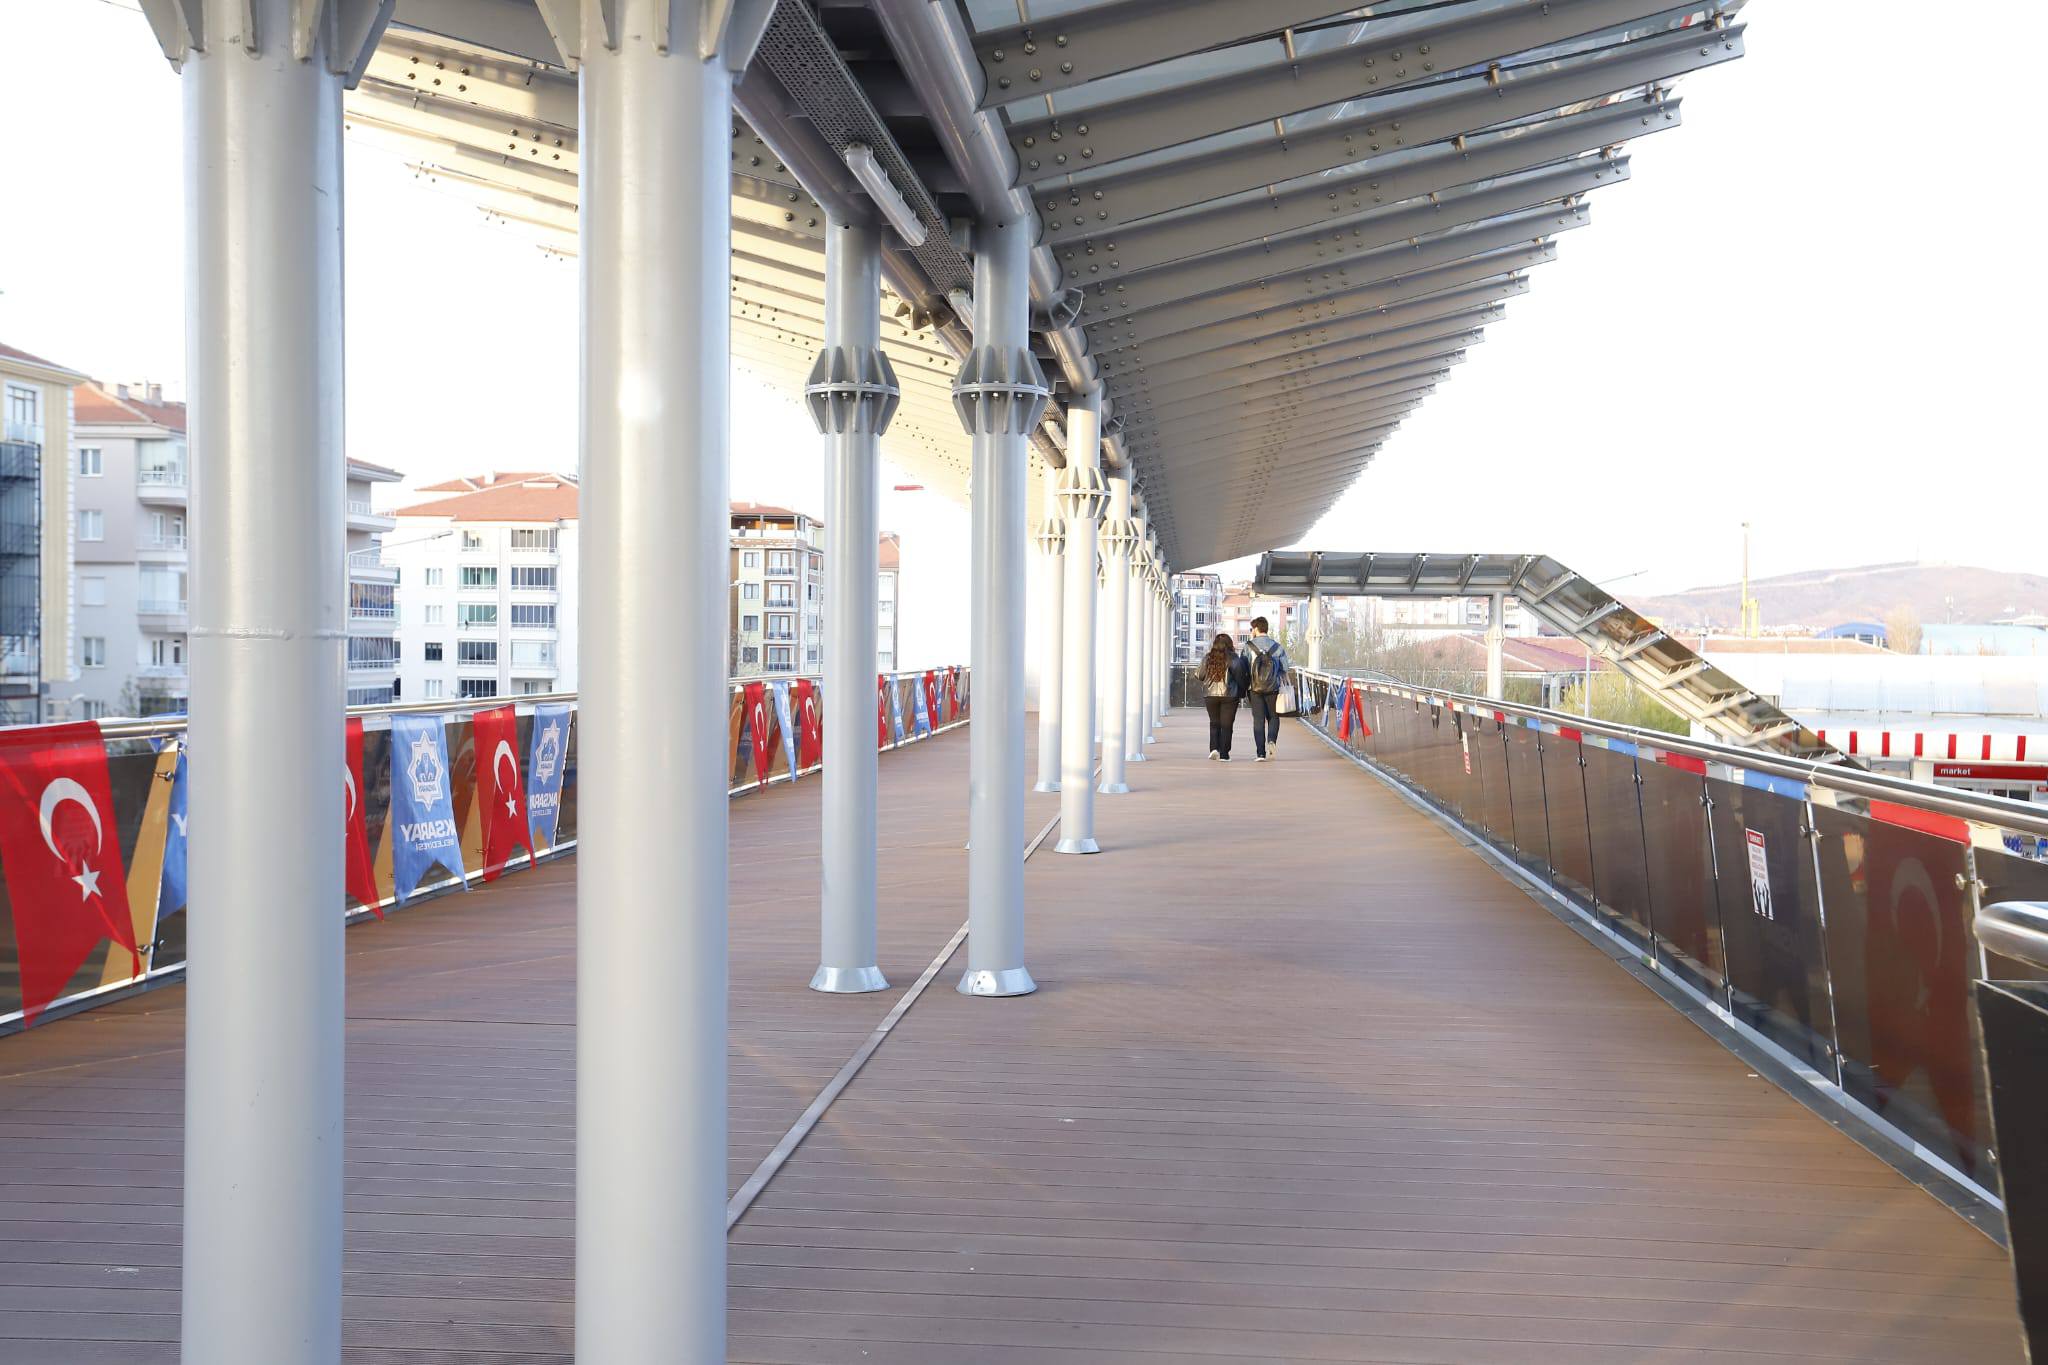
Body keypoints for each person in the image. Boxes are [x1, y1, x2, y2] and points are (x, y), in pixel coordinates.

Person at [1239, 615, 1290, 761]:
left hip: (1254, 688)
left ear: (1255, 629)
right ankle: (1272, 740)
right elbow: (1285, 668)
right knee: (1273, 716)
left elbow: (1242, 667)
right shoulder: (1277, 647)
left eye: (1252, 629)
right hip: (1273, 687)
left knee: (1258, 720)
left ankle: (1260, 754)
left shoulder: (1249, 646)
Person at [1200, 632, 1248, 761]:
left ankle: (1214, 749)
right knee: (1227, 725)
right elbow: (1240, 677)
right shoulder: (1234, 658)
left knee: (1214, 723)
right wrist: (1242, 692)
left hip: (1210, 695)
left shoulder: (1208, 657)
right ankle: (1224, 755)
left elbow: (1199, 675)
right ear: (1229, 644)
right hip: (1230, 695)